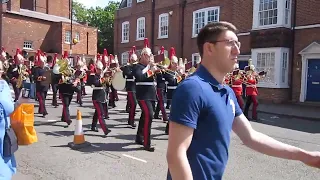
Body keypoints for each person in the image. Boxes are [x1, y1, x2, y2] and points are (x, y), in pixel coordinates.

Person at [166, 21, 320, 180]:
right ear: (209, 48)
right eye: (230, 43)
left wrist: (305, 156)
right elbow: (176, 154)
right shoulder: (192, 88)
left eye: (237, 44)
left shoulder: (227, 92)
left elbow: (252, 137)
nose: (237, 50)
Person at [0, 60, 17, 179]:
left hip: (3, 135)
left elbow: (10, 107)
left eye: (1, 69)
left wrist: (20, 102)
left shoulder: (3, 85)